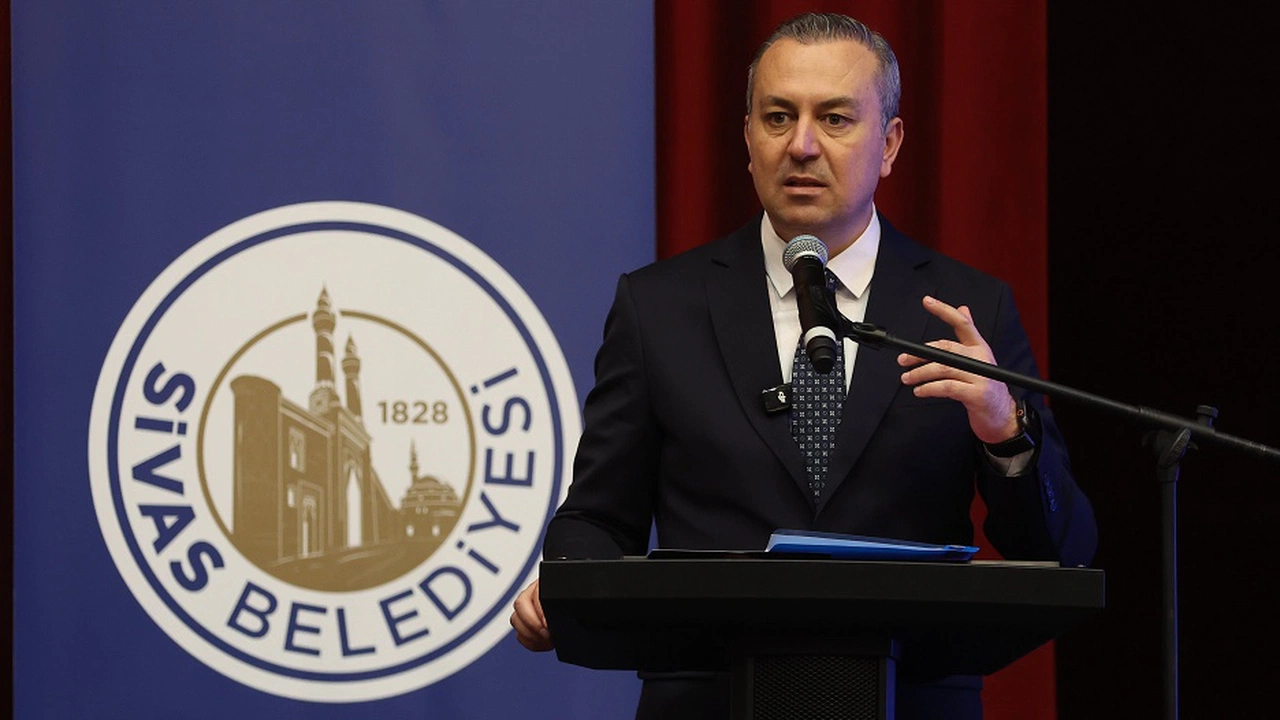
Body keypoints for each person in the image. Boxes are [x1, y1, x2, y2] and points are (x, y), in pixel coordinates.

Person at [510, 11, 1096, 720]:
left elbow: (1062, 554)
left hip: (909, 699)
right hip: (710, 699)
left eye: (836, 119)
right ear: (747, 138)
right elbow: (600, 515)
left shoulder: (968, 310)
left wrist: (1006, 431)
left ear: (890, 143)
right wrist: (567, 583)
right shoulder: (659, 307)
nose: (803, 145)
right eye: (779, 117)